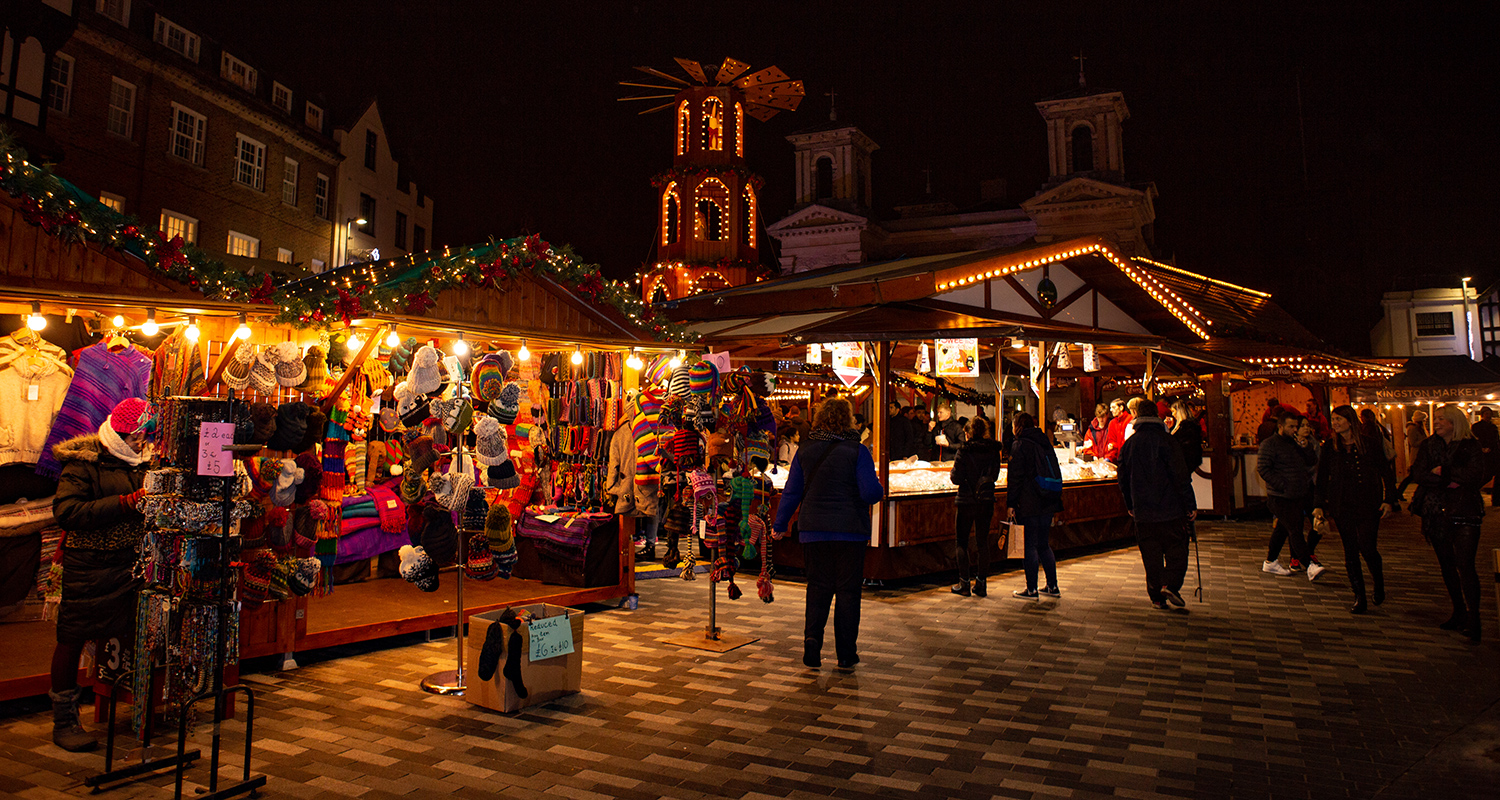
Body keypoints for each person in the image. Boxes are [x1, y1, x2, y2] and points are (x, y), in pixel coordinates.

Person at [48, 398, 154, 751]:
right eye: (138, 437)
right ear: (123, 433)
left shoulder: (143, 463)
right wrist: (126, 503)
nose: (143, 444)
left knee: (132, 631)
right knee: (73, 636)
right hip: (90, 566)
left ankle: (136, 707)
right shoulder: (84, 462)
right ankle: (63, 720)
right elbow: (67, 511)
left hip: (130, 564)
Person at [773, 397, 884, 669]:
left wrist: (779, 525)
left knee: (818, 588)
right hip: (850, 533)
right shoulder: (858, 452)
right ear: (848, 420)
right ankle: (846, 653)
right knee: (847, 592)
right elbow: (871, 493)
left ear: (820, 418)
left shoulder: (805, 451)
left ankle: (812, 641)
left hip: (814, 532)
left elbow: (791, 491)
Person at [1408, 405, 1486, 643]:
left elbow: (1475, 476)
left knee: (1465, 565)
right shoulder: (1429, 445)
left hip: (1464, 511)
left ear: (1454, 422)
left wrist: (1444, 471)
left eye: (1442, 419)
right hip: (1435, 512)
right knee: (1447, 565)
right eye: (1436, 419)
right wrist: (1449, 480)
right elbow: (1418, 474)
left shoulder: (1470, 445)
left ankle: (1474, 618)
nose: (1437, 423)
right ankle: (1458, 611)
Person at [1313, 406, 1397, 614]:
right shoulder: (1330, 447)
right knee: (1350, 550)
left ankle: (1378, 584)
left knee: (1368, 547)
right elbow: (1322, 477)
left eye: (1339, 419)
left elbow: (1386, 472)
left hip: (1368, 503)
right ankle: (1359, 595)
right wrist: (1318, 504)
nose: (1335, 423)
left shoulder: (1369, 444)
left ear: (1350, 421)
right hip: (1342, 504)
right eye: (1333, 419)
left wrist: (1389, 500)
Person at [1117, 401, 1196, 609]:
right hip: (1171, 508)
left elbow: (1122, 478)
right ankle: (1171, 584)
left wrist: (1130, 503)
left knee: (1150, 554)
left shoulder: (1129, 445)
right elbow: (1181, 476)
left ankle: (1156, 596)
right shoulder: (1168, 442)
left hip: (1143, 511)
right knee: (1177, 549)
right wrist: (1190, 504)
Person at [1257, 409, 1323, 579]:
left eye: (1296, 426)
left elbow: (1311, 462)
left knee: (1283, 529)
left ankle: (1270, 562)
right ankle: (1309, 565)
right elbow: (1263, 468)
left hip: (1296, 494)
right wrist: (1281, 484)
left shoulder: (1296, 443)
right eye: (1291, 426)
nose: (1295, 429)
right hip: (1280, 496)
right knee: (1294, 529)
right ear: (1281, 426)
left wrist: (1306, 447)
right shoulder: (1270, 444)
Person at [1007, 412, 1063, 599]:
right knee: (1043, 544)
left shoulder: (1020, 445)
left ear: (1017, 426)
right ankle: (1052, 586)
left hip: (1029, 501)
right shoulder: (1044, 441)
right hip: (1047, 499)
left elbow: (1015, 477)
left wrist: (1011, 503)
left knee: (1029, 545)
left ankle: (1031, 589)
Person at [949, 417, 1002, 597]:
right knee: (982, 542)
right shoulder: (994, 451)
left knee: (961, 542)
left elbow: (956, 478)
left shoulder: (964, 451)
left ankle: (964, 582)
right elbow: (994, 476)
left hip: (966, 500)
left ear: (969, 433)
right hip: (986, 500)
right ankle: (981, 583)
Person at [1470, 406, 1500, 506]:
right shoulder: (1477, 426)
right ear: (1482, 415)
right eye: (1486, 414)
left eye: (1489, 414)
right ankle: (1472, 491)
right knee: (1486, 475)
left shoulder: (1493, 427)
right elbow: (1474, 439)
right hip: (1483, 454)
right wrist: (1482, 448)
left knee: (1495, 476)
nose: (1488, 416)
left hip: (1494, 454)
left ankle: (1496, 499)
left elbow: (1496, 440)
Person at [1170, 400, 1204, 471]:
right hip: (1183, 463)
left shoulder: (1186, 427)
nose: (1172, 414)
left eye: (1173, 411)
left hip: (1182, 463)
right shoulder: (1188, 426)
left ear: (1179, 412)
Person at [1102, 397, 1131, 463]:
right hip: (1117, 459)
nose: (1111, 410)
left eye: (1113, 407)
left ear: (1121, 408)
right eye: (1110, 408)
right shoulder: (1112, 423)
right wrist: (1109, 457)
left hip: (1129, 458)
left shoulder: (1130, 420)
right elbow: (1111, 440)